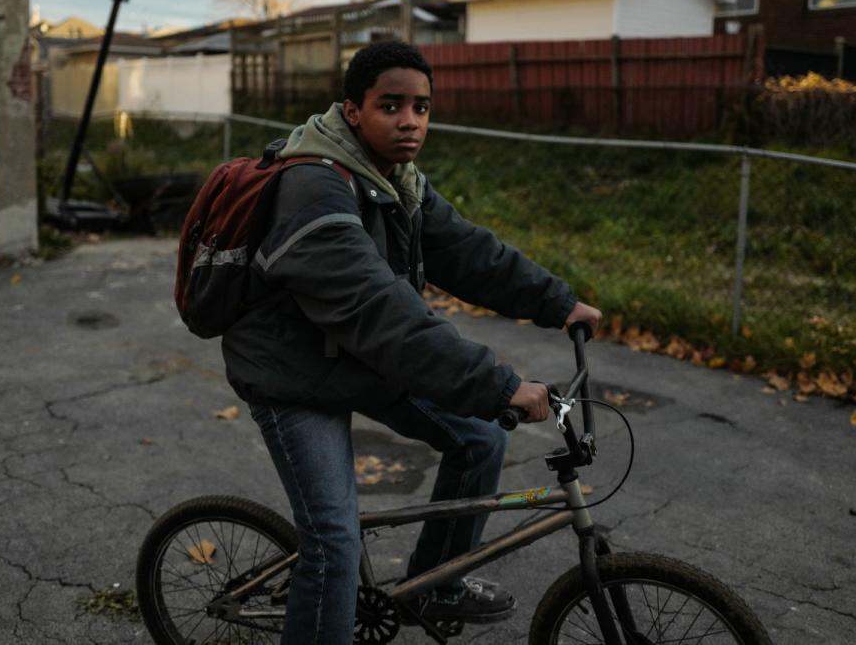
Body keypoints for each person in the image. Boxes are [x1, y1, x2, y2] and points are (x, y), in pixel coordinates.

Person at [220, 41, 602, 644]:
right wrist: (499, 384)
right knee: (334, 542)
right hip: (291, 375)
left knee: (479, 439)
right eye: (391, 105)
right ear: (352, 112)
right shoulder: (313, 191)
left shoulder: (397, 180)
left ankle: (434, 585)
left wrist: (557, 302)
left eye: (421, 108)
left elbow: (469, 252)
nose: (410, 122)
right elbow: (383, 314)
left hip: (353, 357)